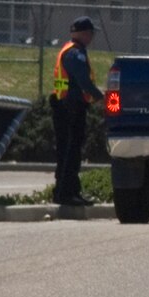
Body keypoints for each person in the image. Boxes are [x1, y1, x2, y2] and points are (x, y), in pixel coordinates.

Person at [51, 16, 103, 206]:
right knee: (71, 151)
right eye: (90, 33)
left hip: (64, 105)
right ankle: (67, 194)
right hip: (71, 107)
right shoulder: (75, 54)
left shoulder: (69, 50)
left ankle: (65, 191)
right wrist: (100, 98)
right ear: (82, 33)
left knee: (66, 150)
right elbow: (83, 81)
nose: (91, 37)